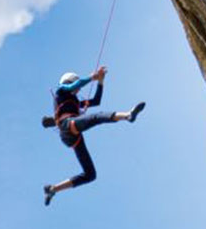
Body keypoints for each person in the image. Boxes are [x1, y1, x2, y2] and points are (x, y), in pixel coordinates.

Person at [42, 66, 145, 206]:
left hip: (73, 136)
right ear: (68, 81)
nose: (78, 91)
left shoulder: (76, 102)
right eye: (76, 88)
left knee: (90, 175)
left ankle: (53, 189)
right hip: (67, 126)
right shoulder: (61, 91)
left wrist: (101, 82)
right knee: (96, 117)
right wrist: (92, 77)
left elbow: (96, 101)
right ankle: (128, 115)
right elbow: (75, 85)